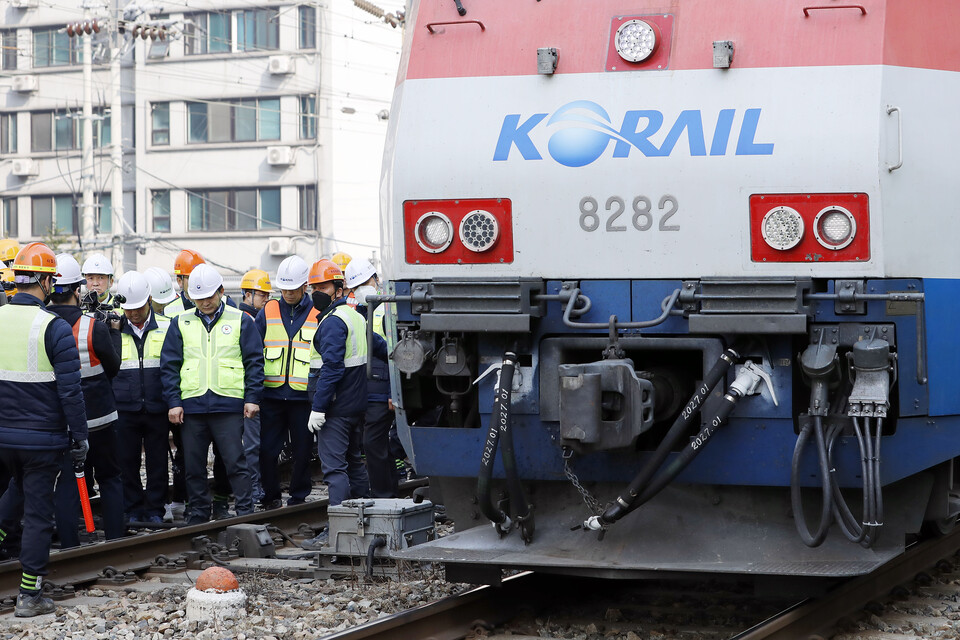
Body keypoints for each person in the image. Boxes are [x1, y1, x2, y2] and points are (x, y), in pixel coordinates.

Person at [0, 243, 87, 616]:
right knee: (37, 514)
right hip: (42, 441)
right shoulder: (54, 327)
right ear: (47, 281)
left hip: (2, 436)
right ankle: (29, 595)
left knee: (13, 493)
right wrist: (80, 437)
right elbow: (71, 392)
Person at [160, 263, 264, 525]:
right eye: (199, 298)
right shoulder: (180, 322)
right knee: (193, 466)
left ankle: (245, 512)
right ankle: (198, 514)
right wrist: (174, 402)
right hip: (192, 407)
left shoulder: (240, 320)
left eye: (209, 296)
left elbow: (254, 362)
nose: (205, 302)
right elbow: (169, 366)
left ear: (221, 291)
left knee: (235, 462)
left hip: (228, 405)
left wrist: (252, 398)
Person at [47, 254, 124, 547]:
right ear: (77, 290)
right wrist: (115, 333)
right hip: (101, 419)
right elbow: (113, 368)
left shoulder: (43, 326)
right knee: (110, 477)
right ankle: (115, 539)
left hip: (64, 422)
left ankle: (70, 545)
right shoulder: (93, 327)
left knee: (66, 483)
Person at [306, 261, 389, 506]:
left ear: (339, 290)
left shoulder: (333, 322)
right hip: (355, 406)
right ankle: (363, 517)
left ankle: (338, 522)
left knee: (334, 469)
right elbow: (383, 349)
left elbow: (332, 368)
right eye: (314, 288)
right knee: (354, 463)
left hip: (335, 408)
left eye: (323, 287)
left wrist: (318, 408)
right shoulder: (354, 316)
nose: (317, 293)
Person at [255, 257, 316, 509]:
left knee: (303, 451)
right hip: (272, 395)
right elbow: (254, 351)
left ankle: (298, 496)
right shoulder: (267, 311)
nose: (288, 293)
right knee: (267, 450)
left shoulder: (318, 313)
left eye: (293, 288)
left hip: (303, 398)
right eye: (284, 289)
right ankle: (270, 495)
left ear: (305, 286)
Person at [114, 271, 172, 525]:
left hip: (157, 406)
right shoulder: (114, 329)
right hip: (124, 408)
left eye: (138, 308)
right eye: (128, 309)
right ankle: (133, 509)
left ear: (149, 300)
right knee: (126, 461)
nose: (133, 314)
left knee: (157, 461)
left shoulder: (167, 327)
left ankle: (155, 509)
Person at [344, 259, 397, 498]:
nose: (362, 289)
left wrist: (393, 393)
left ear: (376, 279)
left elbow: (397, 354)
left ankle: (382, 495)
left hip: (382, 390)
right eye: (356, 287)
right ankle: (389, 492)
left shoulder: (389, 309)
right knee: (377, 445)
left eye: (365, 282)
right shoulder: (354, 311)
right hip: (361, 390)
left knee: (373, 444)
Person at [239, 268, 272, 505]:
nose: (266, 299)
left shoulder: (257, 318)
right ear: (248, 294)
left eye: (268, 295)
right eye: (262, 294)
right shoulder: (244, 320)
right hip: (243, 392)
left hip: (247, 391)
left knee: (251, 444)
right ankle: (252, 488)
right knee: (250, 445)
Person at [163, 249, 205, 317]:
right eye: (191, 278)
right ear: (180, 281)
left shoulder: (221, 301)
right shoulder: (168, 311)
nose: (197, 282)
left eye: (200, 277)